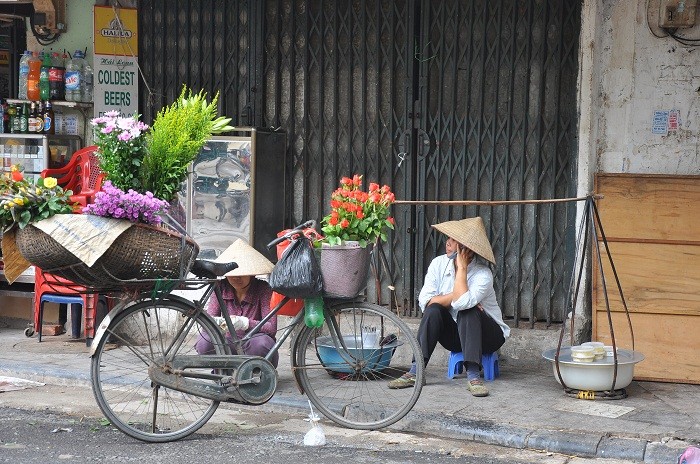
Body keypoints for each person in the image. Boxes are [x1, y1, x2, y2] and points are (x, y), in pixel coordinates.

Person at [388, 217, 510, 396]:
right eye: (449, 238)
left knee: (468, 311)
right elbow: (426, 301)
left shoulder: (483, 274)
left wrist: (462, 269)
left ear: (465, 248)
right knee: (433, 311)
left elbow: (462, 305)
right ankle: (416, 371)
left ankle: (473, 376)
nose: (448, 243)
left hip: (488, 337)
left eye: (453, 241)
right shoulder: (438, 264)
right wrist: (458, 296)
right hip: (456, 336)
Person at [194, 239, 279, 367]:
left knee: (262, 343)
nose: (236, 278)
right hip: (227, 344)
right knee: (204, 341)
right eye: (232, 274)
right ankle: (223, 370)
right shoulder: (220, 287)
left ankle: (255, 371)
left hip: (253, 344)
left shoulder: (263, 289)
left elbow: (271, 328)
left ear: (251, 274)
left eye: (241, 274)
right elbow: (209, 322)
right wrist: (219, 322)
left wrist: (244, 323)